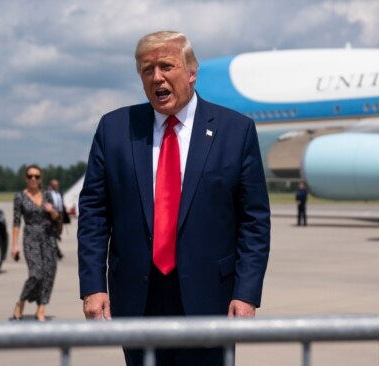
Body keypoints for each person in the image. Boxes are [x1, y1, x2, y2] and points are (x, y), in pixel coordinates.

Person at [77, 30, 271, 366]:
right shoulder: (114, 129)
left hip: (211, 299)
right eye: (147, 70)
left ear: (192, 72)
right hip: (138, 298)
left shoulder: (235, 131)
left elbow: (254, 222)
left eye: (166, 66)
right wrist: (93, 287)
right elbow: (94, 214)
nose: (157, 78)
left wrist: (246, 293)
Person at [11, 165, 59, 322]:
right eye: (30, 176)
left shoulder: (47, 195)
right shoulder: (19, 197)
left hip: (48, 237)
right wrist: (14, 245)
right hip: (30, 237)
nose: (33, 179)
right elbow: (16, 222)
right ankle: (21, 302)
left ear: (41, 179)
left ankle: (41, 308)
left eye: (37, 176)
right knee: (36, 274)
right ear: (26, 178)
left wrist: (51, 210)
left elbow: (56, 217)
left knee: (48, 274)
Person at [47, 178, 65, 260]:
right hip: (51, 217)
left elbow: (61, 205)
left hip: (59, 216)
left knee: (56, 234)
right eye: (55, 185)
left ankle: (54, 250)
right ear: (51, 186)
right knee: (53, 235)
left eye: (57, 185)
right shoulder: (48, 194)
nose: (57, 186)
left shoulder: (60, 194)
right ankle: (57, 252)